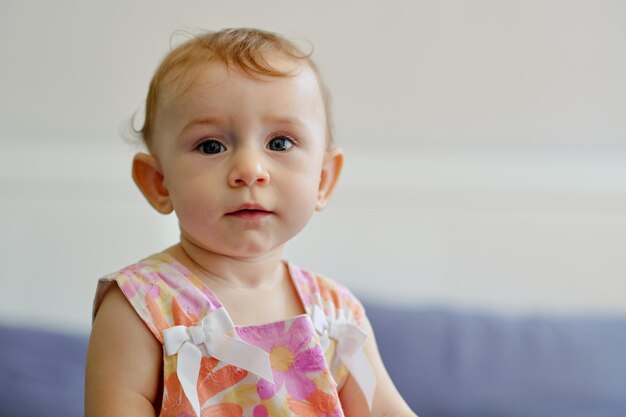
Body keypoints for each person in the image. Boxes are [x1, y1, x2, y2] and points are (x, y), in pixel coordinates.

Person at [85, 28, 417, 417]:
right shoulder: (141, 307)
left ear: (323, 180)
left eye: (279, 143)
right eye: (211, 145)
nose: (249, 170)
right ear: (159, 183)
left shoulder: (338, 315)